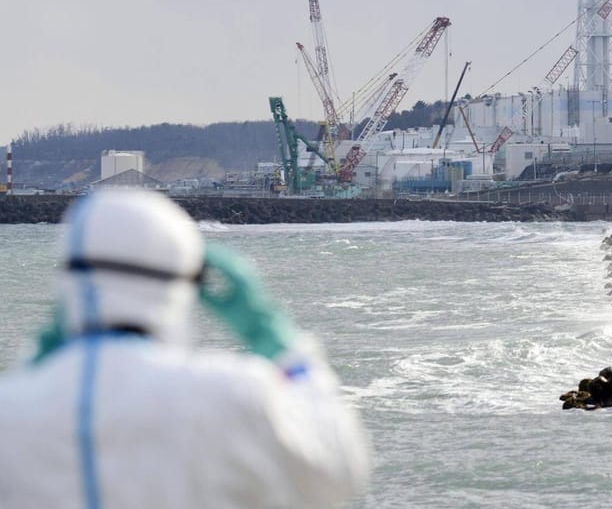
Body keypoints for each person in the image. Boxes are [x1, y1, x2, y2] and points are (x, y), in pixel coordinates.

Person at [0, 188, 371, 508]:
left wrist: (31, 367)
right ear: (182, 286)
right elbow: (340, 469)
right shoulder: (232, 393)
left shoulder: (10, 410)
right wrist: (280, 345)